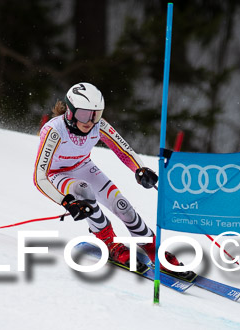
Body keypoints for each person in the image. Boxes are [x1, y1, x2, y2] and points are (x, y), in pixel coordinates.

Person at [33, 82, 182, 271]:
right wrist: (66, 202)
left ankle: (152, 247)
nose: (90, 120)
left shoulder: (98, 126)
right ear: (70, 112)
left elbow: (123, 150)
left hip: (83, 166)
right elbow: (39, 176)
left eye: (96, 114)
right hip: (57, 175)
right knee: (83, 191)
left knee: (123, 206)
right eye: (84, 114)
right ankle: (110, 243)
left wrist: (140, 169)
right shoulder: (54, 131)